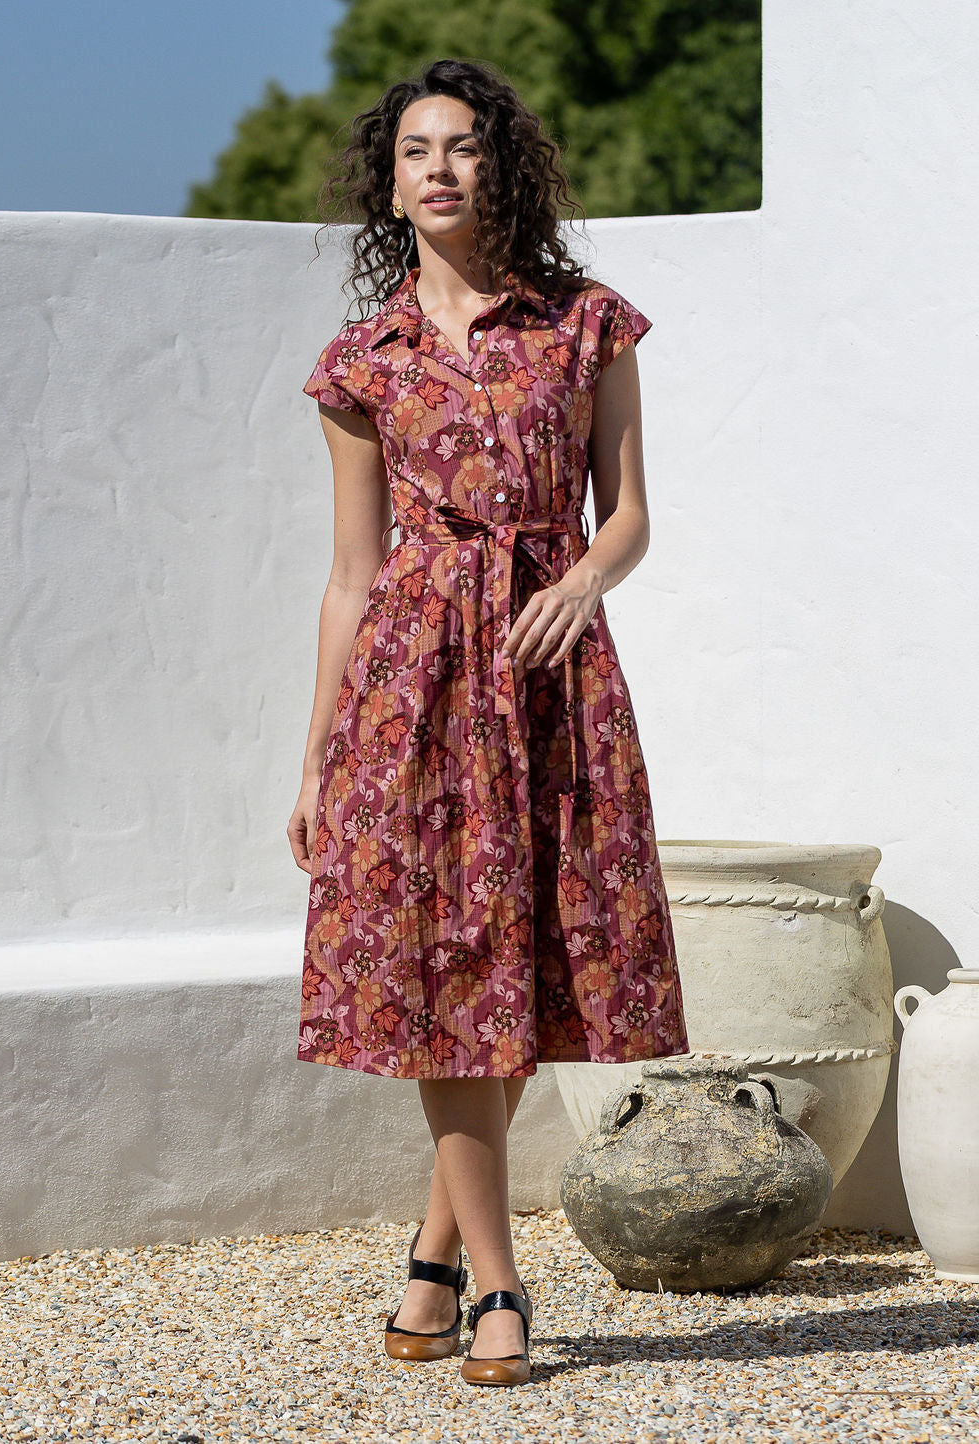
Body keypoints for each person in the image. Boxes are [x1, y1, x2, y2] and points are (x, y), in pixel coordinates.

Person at [287, 57, 689, 1388]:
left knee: (526, 968)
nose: (441, 169)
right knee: (450, 977)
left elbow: (627, 513)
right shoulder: (363, 362)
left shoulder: (585, 328)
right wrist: (316, 756)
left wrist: (577, 580)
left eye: (463, 147)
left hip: (551, 673)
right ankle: (499, 1283)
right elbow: (353, 571)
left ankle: (431, 1251)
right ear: (388, 180)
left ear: (499, 167)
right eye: (416, 151)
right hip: (409, 692)